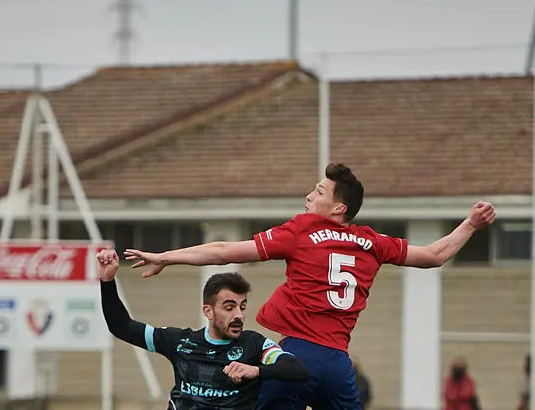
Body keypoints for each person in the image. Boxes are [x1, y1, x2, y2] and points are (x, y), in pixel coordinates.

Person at [124, 162, 496, 409]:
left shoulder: (302, 231)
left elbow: (223, 250)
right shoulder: (374, 242)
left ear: (337, 208)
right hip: (338, 364)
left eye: (318, 191)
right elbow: (434, 255)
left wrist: (166, 257)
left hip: (293, 359)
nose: (309, 196)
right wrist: (471, 224)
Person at [97, 248, 309, 410]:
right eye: (229, 307)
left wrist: (256, 371)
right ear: (208, 311)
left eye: (242, 306)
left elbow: (296, 369)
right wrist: (107, 281)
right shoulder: (180, 341)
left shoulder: (254, 344)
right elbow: (121, 326)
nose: (238, 315)